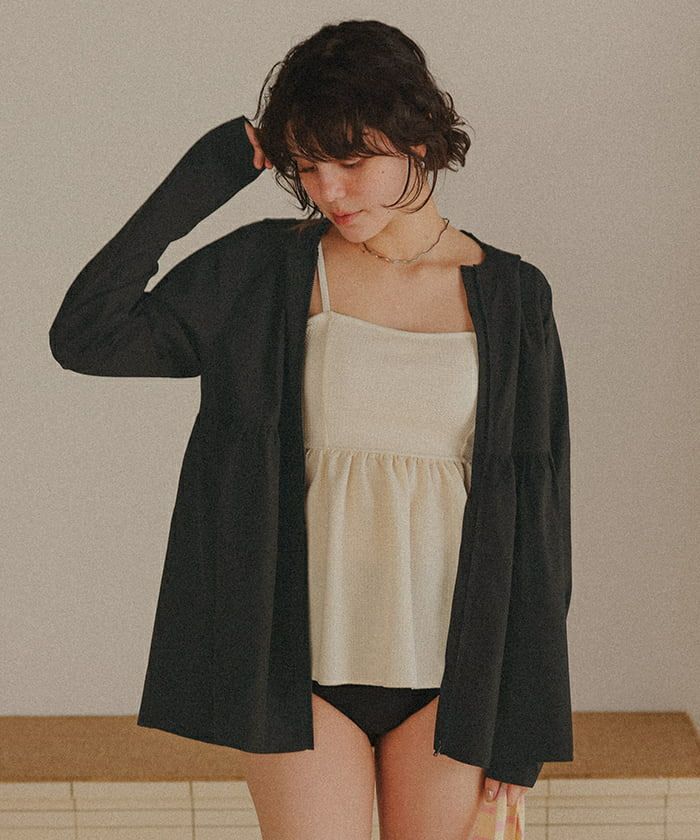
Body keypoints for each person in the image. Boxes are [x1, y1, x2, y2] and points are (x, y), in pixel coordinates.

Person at [49, 18, 573, 840]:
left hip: (460, 674)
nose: (330, 189)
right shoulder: (266, 269)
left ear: (419, 137)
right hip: (296, 673)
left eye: (352, 161)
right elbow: (86, 335)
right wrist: (207, 174)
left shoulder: (514, 295)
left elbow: (540, 511)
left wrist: (527, 719)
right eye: (307, 165)